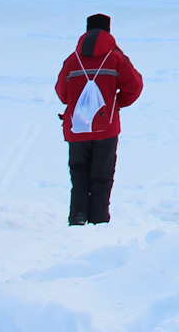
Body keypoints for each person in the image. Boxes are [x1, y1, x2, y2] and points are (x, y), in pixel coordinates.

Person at [53, 13, 143, 227]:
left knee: (79, 173)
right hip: (106, 127)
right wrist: (117, 103)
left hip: (77, 127)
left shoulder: (73, 59)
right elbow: (135, 85)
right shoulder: (115, 58)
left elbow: (61, 92)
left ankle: (77, 217)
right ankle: (99, 220)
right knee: (102, 176)